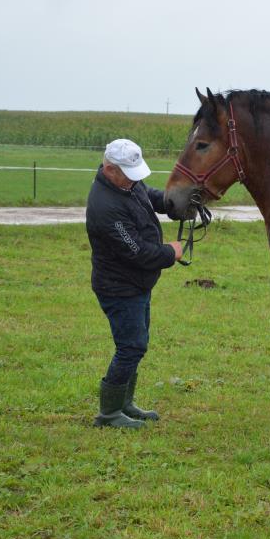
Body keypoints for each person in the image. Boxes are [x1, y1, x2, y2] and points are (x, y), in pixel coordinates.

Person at [86, 138, 183, 428]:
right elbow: (137, 251)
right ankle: (109, 414)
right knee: (131, 347)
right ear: (110, 169)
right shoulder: (106, 207)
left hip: (137, 285)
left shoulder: (126, 183)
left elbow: (148, 195)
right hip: (119, 288)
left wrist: (173, 204)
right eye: (129, 174)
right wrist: (171, 252)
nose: (135, 180)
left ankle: (124, 404)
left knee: (136, 345)